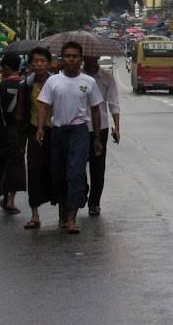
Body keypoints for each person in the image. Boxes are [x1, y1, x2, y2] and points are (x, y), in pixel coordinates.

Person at [36, 41, 103, 235]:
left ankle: (72, 217)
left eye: (75, 56)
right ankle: (63, 210)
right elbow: (44, 106)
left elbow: (96, 110)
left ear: (80, 59)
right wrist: (40, 128)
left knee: (75, 172)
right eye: (68, 56)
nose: (71, 60)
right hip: (58, 132)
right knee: (59, 173)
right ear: (62, 59)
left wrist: (97, 137)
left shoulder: (88, 82)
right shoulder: (53, 81)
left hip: (79, 132)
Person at [18, 46, 54, 229]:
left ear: (49, 63)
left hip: (55, 132)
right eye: (35, 61)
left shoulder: (56, 82)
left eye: (42, 61)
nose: (39, 65)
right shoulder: (25, 85)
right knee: (33, 171)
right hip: (33, 132)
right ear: (30, 64)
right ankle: (35, 214)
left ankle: (64, 213)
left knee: (57, 171)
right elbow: (20, 111)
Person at [0, 52, 26, 215]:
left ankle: (6, 197)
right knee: (16, 162)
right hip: (20, 131)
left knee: (3, 161)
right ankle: (10, 198)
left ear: (7, 68)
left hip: (3, 130)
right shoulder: (26, 85)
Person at [83, 54, 120, 216]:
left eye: (93, 56)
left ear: (97, 56)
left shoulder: (107, 78)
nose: (90, 58)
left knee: (98, 167)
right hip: (79, 127)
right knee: (76, 164)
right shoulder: (76, 76)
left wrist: (117, 127)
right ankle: (82, 190)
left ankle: (94, 202)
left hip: (101, 128)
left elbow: (113, 102)